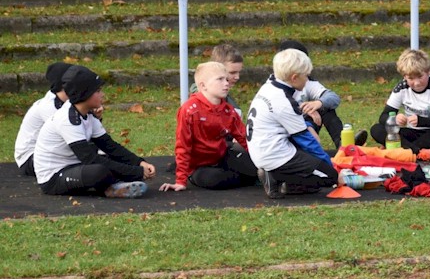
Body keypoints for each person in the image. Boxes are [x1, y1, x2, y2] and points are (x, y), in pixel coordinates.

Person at [33, 65, 156, 198]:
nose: (102, 94)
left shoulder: (87, 114)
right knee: (98, 171)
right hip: (54, 178)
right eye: (97, 91)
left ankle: (114, 185)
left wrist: (139, 163)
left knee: (109, 159)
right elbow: (89, 159)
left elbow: (110, 146)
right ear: (84, 94)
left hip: (76, 166)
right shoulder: (68, 120)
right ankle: (112, 187)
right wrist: (136, 172)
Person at [246, 48, 342, 199]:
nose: (307, 79)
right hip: (275, 155)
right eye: (306, 76)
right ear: (294, 77)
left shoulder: (269, 85)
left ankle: (276, 174)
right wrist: (333, 170)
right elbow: (308, 142)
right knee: (329, 177)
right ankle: (282, 179)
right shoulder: (284, 101)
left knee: (316, 164)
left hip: (262, 150)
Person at [160, 62, 258, 192]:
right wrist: (180, 181)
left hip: (222, 156)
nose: (226, 83)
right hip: (198, 166)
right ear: (203, 86)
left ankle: (256, 176)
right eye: (220, 79)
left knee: (255, 165)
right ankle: (252, 179)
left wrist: (257, 160)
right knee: (214, 179)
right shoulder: (189, 110)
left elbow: (244, 138)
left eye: (226, 79)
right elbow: (183, 145)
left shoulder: (228, 110)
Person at [369, 48, 430, 160]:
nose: (416, 83)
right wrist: (395, 119)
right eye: (411, 78)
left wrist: (422, 121)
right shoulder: (401, 88)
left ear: (428, 72)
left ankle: (401, 151)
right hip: (411, 132)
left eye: (420, 77)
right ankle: (417, 152)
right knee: (376, 129)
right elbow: (383, 117)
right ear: (404, 76)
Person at [277, 40, 353, 149]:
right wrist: (303, 111)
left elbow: (333, 97)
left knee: (326, 107)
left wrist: (319, 103)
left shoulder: (306, 82)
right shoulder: (273, 87)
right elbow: (281, 111)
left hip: (307, 123)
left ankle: (343, 144)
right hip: (286, 134)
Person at [14, 62, 72, 176]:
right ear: (64, 85)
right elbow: (69, 135)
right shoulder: (48, 106)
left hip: (48, 152)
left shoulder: (65, 102)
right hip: (29, 158)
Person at [191, 43, 244, 118]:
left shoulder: (226, 101)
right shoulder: (197, 104)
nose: (237, 77)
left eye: (239, 72)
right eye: (232, 72)